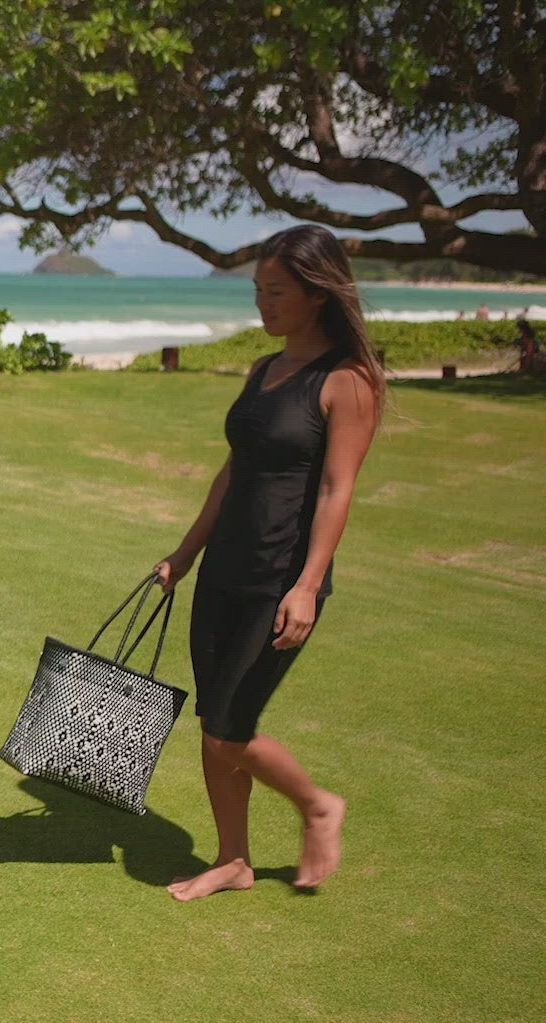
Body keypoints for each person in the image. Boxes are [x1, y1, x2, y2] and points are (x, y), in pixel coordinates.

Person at [152, 224, 384, 901]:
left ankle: (317, 805)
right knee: (213, 722)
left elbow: (339, 489)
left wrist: (308, 585)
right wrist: (185, 553)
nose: (262, 302)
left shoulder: (347, 381)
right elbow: (233, 473)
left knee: (230, 730)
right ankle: (233, 860)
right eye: (257, 289)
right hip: (225, 567)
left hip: (280, 579)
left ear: (317, 293)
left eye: (276, 290)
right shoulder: (265, 370)